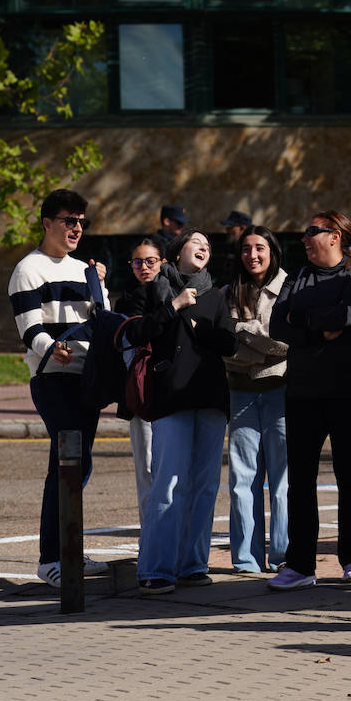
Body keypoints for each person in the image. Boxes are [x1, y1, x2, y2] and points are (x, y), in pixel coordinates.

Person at [268, 212, 351, 590]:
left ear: (335, 236)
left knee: (350, 475)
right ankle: (300, 565)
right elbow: (277, 325)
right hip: (303, 391)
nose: (304, 238)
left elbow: (345, 317)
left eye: (312, 231)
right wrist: (319, 328)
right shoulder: (297, 277)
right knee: (300, 479)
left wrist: (301, 318)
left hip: (350, 391)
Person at [8, 189, 111, 589]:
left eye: (82, 221)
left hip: (87, 378)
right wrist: (51, 348)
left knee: (79, 465)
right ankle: (51, 558)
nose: (77, 228)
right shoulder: (28, 269)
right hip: (53, 378)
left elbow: (102, 319)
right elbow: (29, 328)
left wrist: (100, 287)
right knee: (66, 465)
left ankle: (69, 549)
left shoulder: (85, 270)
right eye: (70, 220)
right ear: (47, 223)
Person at [128, 229, 237, 595]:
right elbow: (137, 332)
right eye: (196, 242)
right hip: (171, 397)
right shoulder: (155, 289)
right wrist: (173, 306)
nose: (204, 247)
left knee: (204, 487)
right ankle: (156, 569)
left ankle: (193, 565)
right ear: (177, 253)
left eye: (207, 245)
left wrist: (198, 327)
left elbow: (229, 343)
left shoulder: (215, 295)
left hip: (210, 399)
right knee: (168, 485)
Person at [223, 225, 290, 575]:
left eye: (260, 248)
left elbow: (286, 344)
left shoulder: (289, 288)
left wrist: (242, 332)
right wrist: (259, 343)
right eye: (247, 248)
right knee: (241, 481)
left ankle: (283, 556)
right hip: (240, 393)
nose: (253, 255)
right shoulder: (228, 291)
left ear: (272, 251)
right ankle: (246, 559)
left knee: (283, 481)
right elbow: (224, 348)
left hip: (281, 390)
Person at [113, 237, 165, 526]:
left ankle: (174, 534)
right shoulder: (126, 301)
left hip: (173, 392)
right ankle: (150, 534)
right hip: (140, 392)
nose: (143, 267)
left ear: (163, 263)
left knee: (173, 469)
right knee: (145, 467)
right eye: (137, 262)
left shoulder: (173, 294)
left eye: (150, 261)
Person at [217, 209, 253, 287]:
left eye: (230, 227)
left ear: (242, 228)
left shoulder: (250, 251)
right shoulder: (231, 248)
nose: (227, 230)